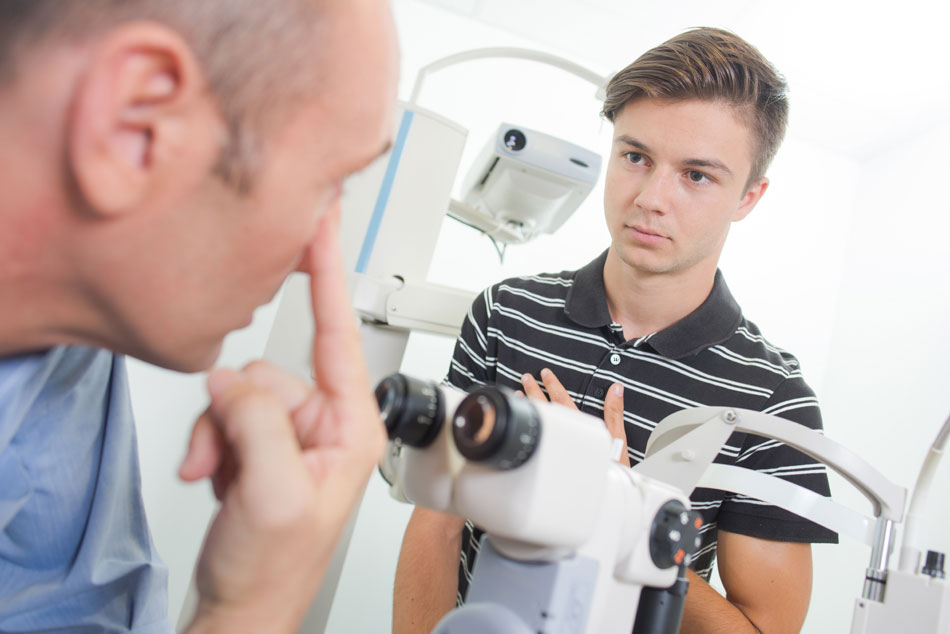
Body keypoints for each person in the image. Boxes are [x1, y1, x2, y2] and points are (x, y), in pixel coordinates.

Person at [393, 27, 837, 634]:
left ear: (748, 197)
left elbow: (764, 631)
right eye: (636, 157)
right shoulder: (505, 313)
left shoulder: (772, 398)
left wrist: (619, 505)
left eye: (697, 176)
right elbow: (436, 523)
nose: (651, 198)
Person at [0, 0, 398, 631]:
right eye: (330, 180)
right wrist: (254, 607)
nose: (311, 258)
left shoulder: (65, 346)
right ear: (138, 124)